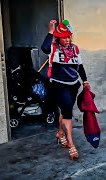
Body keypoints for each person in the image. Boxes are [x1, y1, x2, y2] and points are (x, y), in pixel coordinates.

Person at [41, 19, 90, 160]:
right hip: (58, 84)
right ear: (58, 37)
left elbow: (79, 66)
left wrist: (85, 80)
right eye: (64, 37)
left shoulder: (75, 48)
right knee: (68, 111)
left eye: (69, 37)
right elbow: (44, 48)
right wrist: (51, 31)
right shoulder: (53, 47)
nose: (68, 40)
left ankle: (60, 133)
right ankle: (71, 143)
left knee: (65, 109)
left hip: (73, 84)